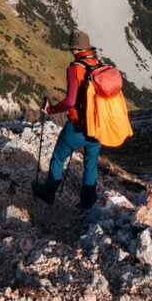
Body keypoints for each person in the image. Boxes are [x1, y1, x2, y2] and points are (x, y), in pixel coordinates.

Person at [32, 29, 103, 210]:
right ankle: (88, 201)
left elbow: (70, 100)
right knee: (91, 163)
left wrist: (50, 109)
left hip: (78, 126)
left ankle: (49, 192)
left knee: (58, 156)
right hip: (98, 125)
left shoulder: (75, 69)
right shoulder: (98, 65)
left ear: (74, 49)